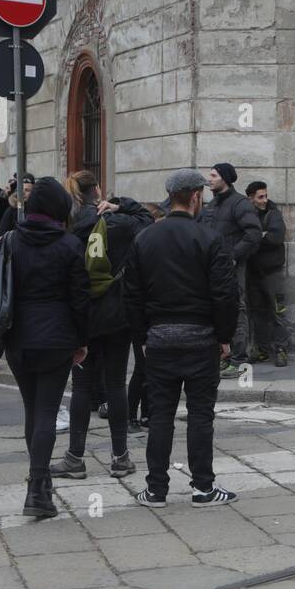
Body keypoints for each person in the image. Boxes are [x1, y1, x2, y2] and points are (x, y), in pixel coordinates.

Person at [123, 170, 240, 508]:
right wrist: (224, 336)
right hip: (202, 338)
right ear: (194, 198)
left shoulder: (144, 239)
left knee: (160, 415)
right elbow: (226, 294)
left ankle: (156, 489)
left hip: (158, 339)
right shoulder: (210, 238)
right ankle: (203, 488)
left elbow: (132, 295)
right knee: (201, 415)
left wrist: (142, 336)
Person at [0, 177, 89, 519]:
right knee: (47, 412)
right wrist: (81, 341)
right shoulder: (69, 245)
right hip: (57, 338)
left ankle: (38, 482)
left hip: (17, 338)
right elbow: (81, 299)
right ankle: (38, 489)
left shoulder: (10, 242)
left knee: (33, 411)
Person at [50, 171, 152, 480]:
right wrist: (122, 205)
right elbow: (147, 221)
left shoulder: (68, 225)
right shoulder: (119, 223)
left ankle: (75, 458)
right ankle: (120, 458)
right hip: (116, 314)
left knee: (81, 386)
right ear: (98, 190)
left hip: (82, 316)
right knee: (116, 383)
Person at [199, 163, 261, 376]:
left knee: (237, 309)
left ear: (225, 178)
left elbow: (253, 234)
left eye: (214, 175)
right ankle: (224, 356)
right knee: (216, 309)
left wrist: (233, 257)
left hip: (232, 268)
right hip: (211, 268)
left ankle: (239, 360)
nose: (209, 179)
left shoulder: (240, 204)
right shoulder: (211, 204)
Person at [127, 202, 168, 433]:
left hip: (153, 315)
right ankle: (131, 415)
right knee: (142, 368)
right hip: (141, 318)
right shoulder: (141, 247)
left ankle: (147, 414)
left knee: (152, 370)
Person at [245, 180, 288, 367]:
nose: (264, 200)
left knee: (278, 311)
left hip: (272, 273)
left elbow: (276, 237)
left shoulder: (274, 214)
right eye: (260, 197)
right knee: (257, 313)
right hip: (253, 272)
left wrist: (258, 238)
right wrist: (260, 236)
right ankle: (262, 350)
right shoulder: (247, 215)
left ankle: (281, 350)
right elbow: (245, 238)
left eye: (265, 196)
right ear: (251, 198)